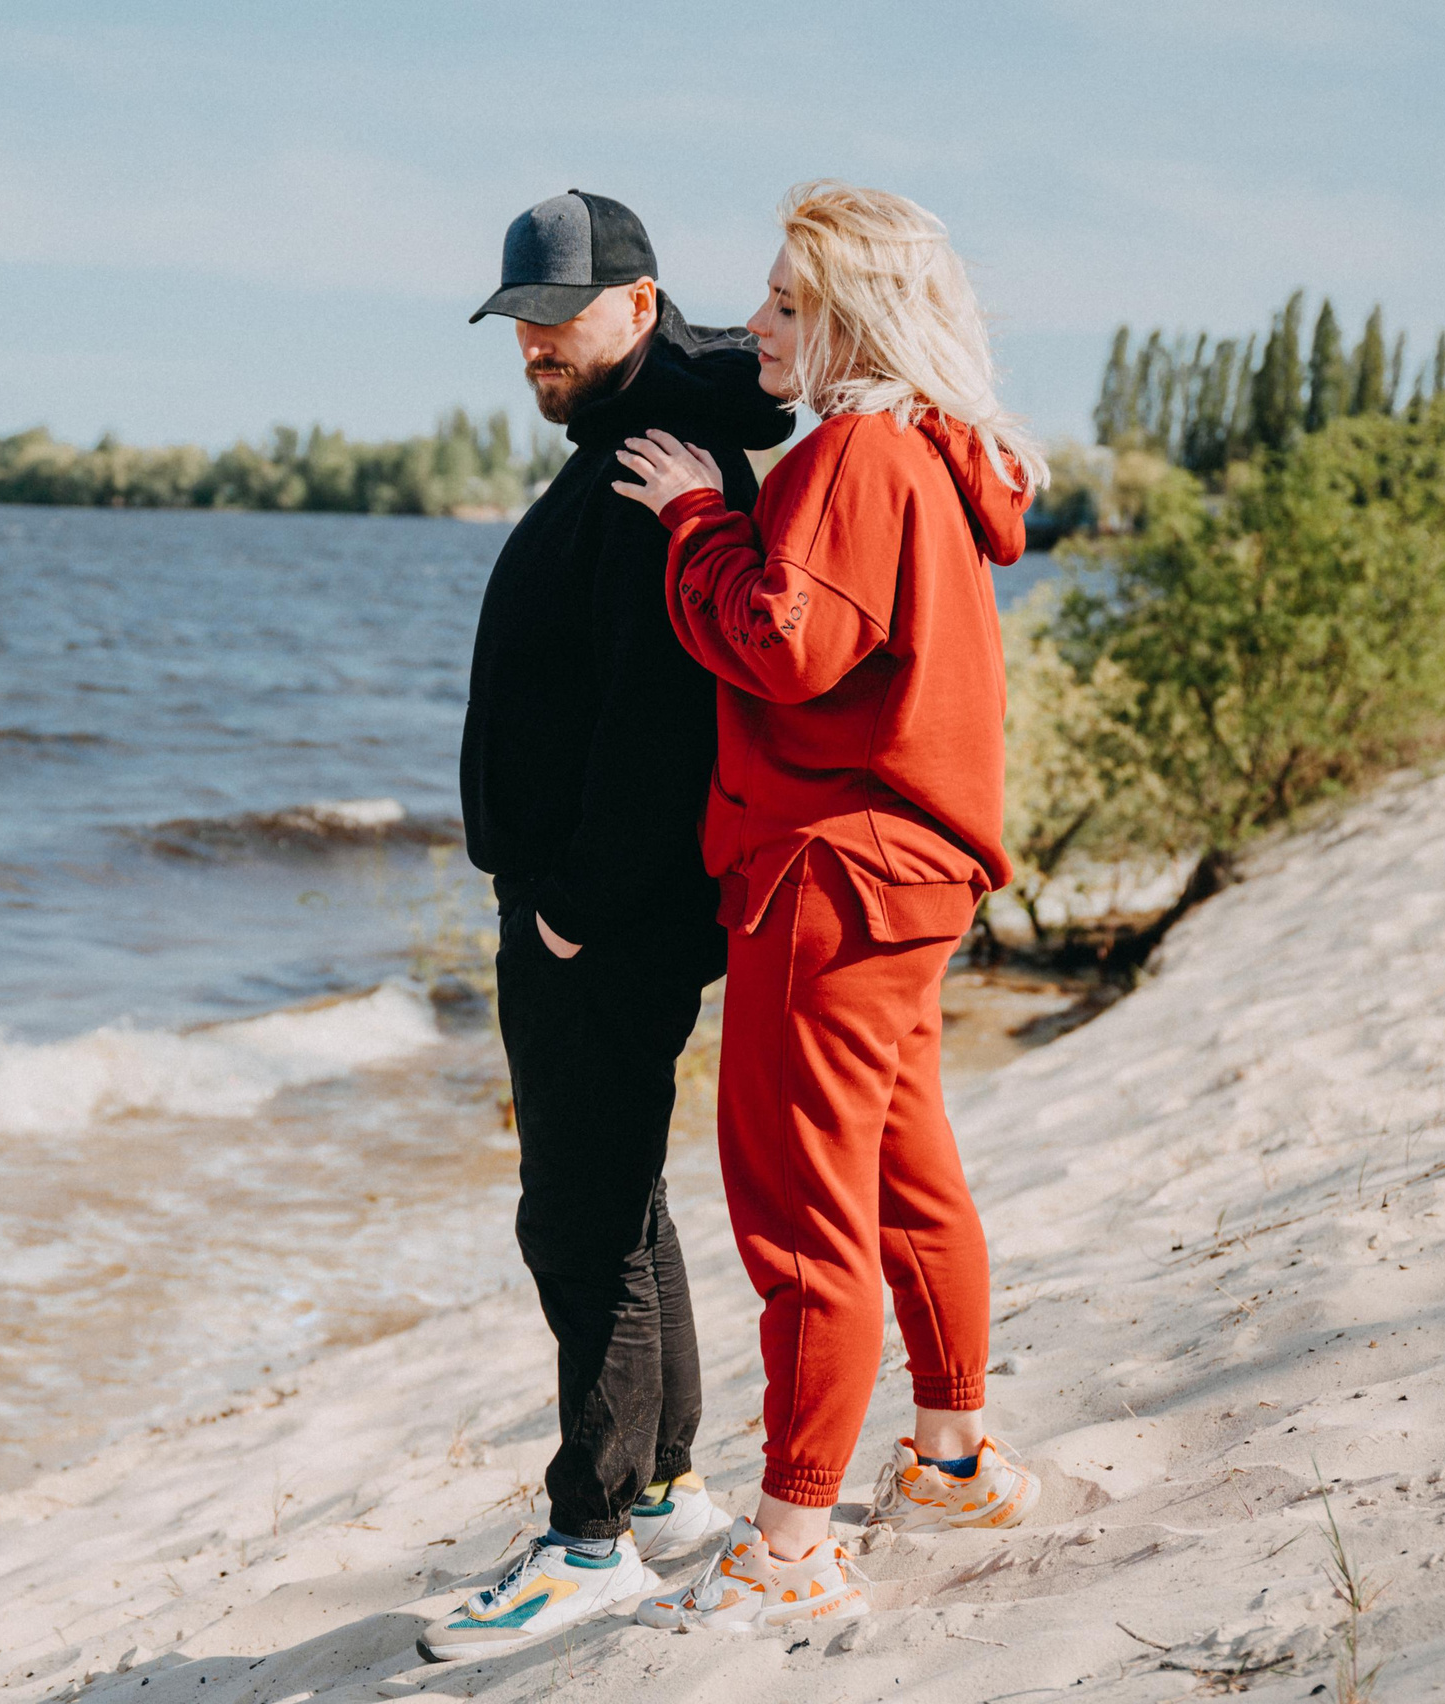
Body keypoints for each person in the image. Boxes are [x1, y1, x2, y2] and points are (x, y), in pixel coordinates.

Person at [610, 181, 1048, 1635]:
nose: (759, 326)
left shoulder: (860, 451)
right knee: (907, 1175)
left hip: (834, 874)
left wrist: (695, 519)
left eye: (791, 304)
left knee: (803, 1216)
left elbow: (782, 642)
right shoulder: (927, 449)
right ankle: (953, 1457)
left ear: (856, 319)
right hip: (909, 876)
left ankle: (794, 1539)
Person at [424, 190, 794, 1664]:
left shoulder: (656, 458)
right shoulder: (635, 443)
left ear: (638, 306)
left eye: (554, 318)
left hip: (606, 916)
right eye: (517, 324)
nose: (530, 348)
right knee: (619, 1197)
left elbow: (662, 721)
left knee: (577, 1217)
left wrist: (572, 905)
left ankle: (586, 1537)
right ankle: (664, 1493)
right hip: (608, 912)